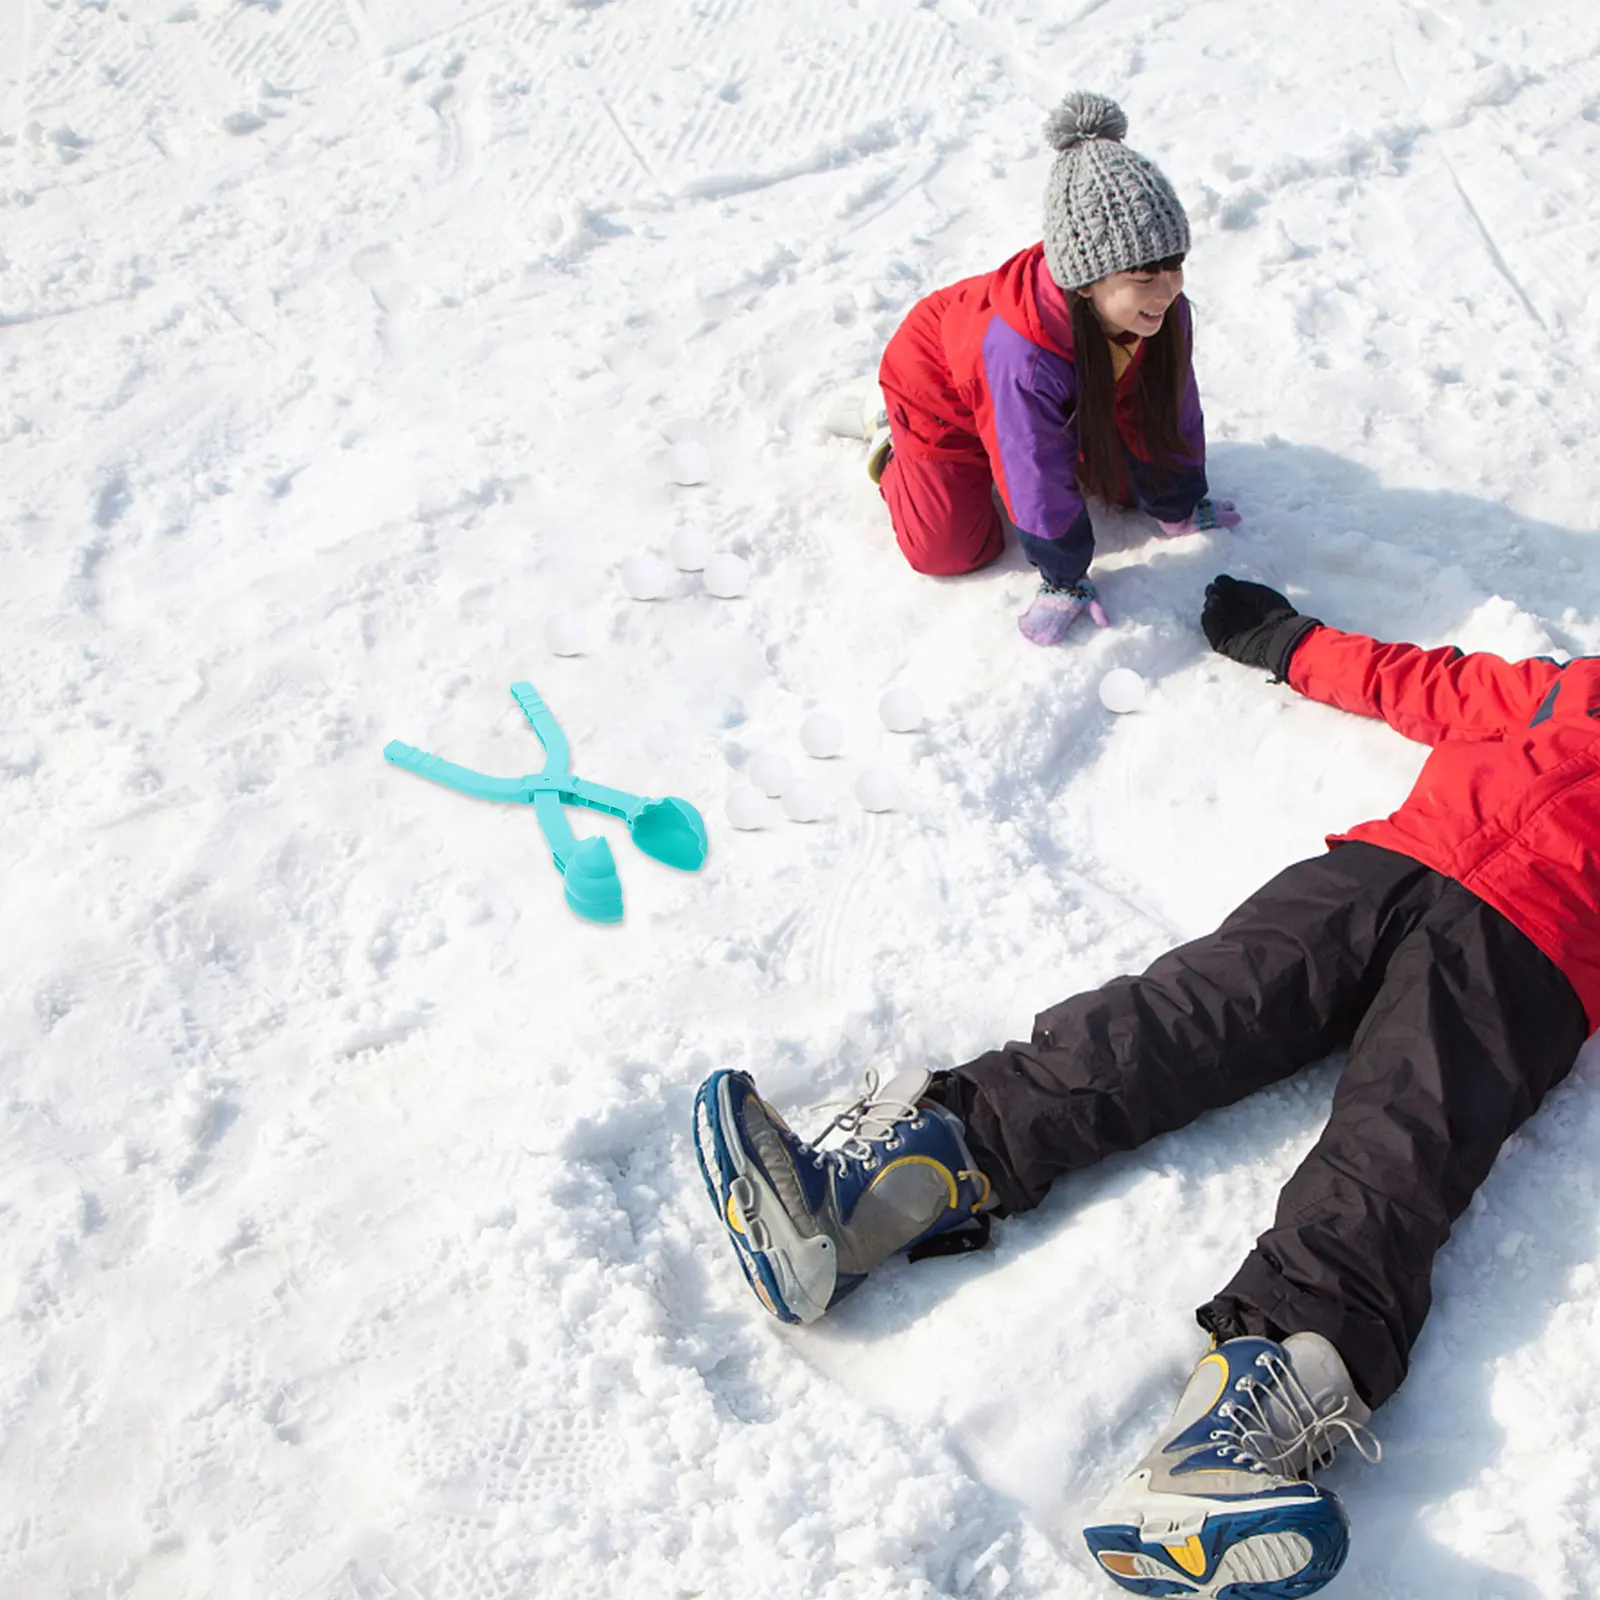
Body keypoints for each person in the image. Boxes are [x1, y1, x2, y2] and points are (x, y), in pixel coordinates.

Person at [692, 574, 1598, 1598]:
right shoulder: (1559, 691)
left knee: (1400, 1149)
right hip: (1379, 874)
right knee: (1181, 1013)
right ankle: (859, 1201)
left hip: (1524, 959)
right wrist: (1284, 639)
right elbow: (1413, 681)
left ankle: (1233, 1444)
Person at [861, 91, 1239, 646]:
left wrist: (1178, 502)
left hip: (1042, 384)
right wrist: (1064, 575)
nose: (1168, 289)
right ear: (1087, 281)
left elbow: (1168, 405)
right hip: (939, 386)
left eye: (1174, 265)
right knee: (951, 549)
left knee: (1125, 486)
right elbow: (1028, 459)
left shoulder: (1160, 308)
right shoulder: (1023, 354)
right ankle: (889, 439)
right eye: (1143, 275)